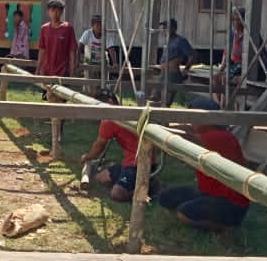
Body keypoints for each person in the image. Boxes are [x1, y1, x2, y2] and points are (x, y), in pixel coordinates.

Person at [157, 97, 251, 231]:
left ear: (206, 119)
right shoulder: (209, 133)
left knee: (184, 213)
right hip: (208, 193)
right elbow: (187, 131)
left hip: (231, 203)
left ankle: (226, 228)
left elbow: (187, 137)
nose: (190, 122)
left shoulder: (219, 136)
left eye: (193, 117)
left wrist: (159, 129)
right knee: (165, 197)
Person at [79, 116, 157, 202]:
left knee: (116, 194)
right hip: (129, 162)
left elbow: (99, 146)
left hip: (141, 164)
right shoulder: (114, 117)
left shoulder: (108, 120)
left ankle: (147, 191)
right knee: (101, 178)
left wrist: (87, 157)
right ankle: (130, 183)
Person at [212, 7, 245, 104]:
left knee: (224, 79)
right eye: (233, 20)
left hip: (244, 66)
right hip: (234, 65)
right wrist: (221, 68)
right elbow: (226, 52)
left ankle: (223, 105)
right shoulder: (232, 35)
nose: (235, 22)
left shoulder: (249, 35)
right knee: (215, 78)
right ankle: (218, 105)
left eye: (237, 19)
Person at [36, 0, 77, 77]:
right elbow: (42, 50)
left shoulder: (68, 28)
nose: (55, 13)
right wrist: (38, 69)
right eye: (52, 10)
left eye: (58, 11)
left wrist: (72, 71)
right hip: (47, 71)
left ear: (62, 12)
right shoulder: (44, 28)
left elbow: (72, 51)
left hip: (63, 72)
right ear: (48, 11)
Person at [158, 18, 194, 106]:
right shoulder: (167, 41)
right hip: (163, 73)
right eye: (164, 27)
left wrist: (186, 69)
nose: (164, 29)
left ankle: (165, 113)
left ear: (173, 28)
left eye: (166, 27)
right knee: (155, 97)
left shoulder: (181, 40)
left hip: (172, 74)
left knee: (166, 100)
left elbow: (192, 56)